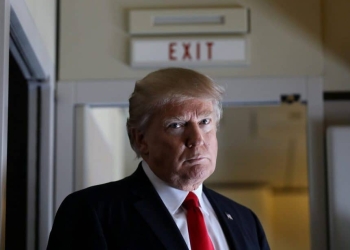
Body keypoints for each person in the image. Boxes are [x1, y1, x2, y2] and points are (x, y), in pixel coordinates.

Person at [47, 68, 270, 250]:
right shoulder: (93, 212)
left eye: (204, 122)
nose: (196, 139)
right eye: (177, 125)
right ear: (141, 139)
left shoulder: (245, 221)